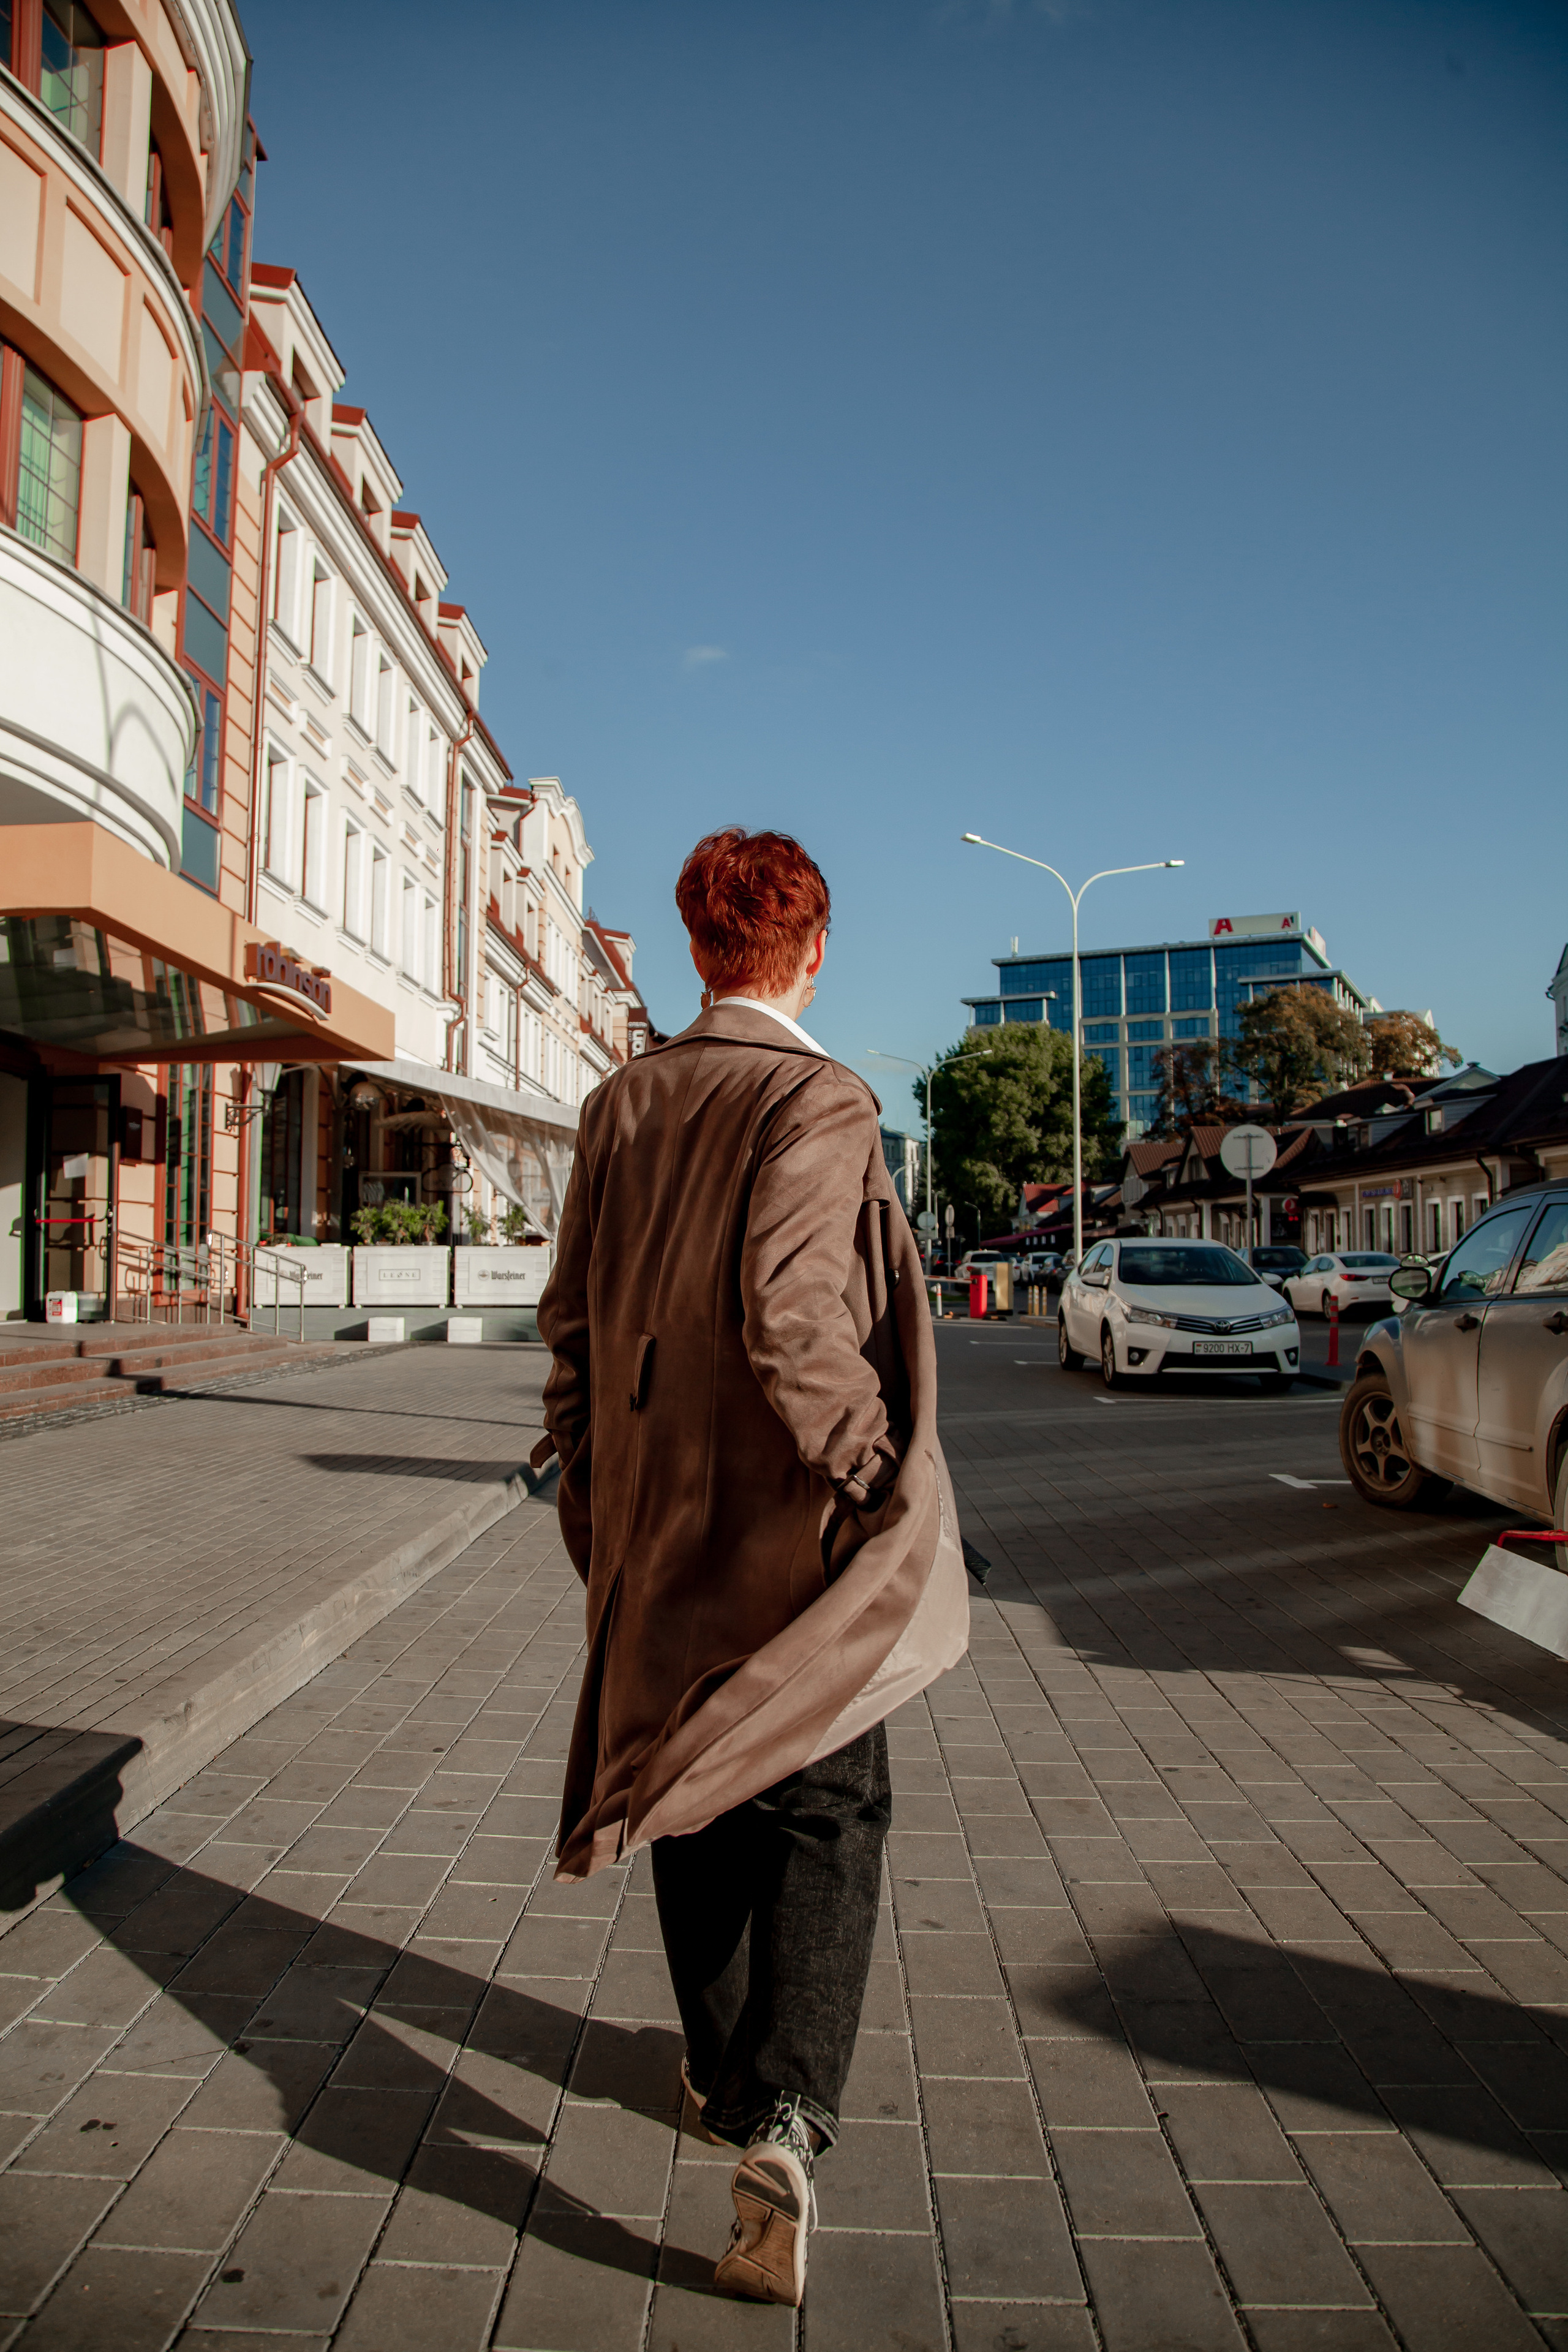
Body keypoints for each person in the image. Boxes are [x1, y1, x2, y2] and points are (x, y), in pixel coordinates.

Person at [533, 825, 967, 2308]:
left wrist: (582, 1475)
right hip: (786, 1518)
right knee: (829, 1803)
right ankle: (781, 2115)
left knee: (687, 1784)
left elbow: (569, 1320)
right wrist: (869, 1483)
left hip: (650, 1519)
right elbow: (795, 1320)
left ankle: (719, 2080)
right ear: (816, 946)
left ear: (698, 945)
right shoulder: (815, 1096)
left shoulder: (622, 1100)